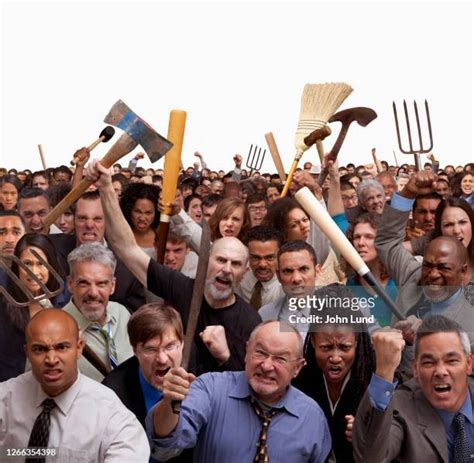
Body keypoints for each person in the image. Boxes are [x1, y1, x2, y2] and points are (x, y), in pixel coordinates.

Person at [85, 159, 261, 375]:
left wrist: (225, 357)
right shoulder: (182, 289)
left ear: (244, 273)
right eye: (220, 260)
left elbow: (256, 385)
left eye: (235, 264)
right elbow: (126, 248)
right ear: (205, 262)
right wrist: (106, 188)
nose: (226, 269)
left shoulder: (251, 321)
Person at [147, 321, 331, 463]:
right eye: (259, 353)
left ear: (298, 368)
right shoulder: (211, 389)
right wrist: (169, 403)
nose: (267, 366)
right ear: (246, 352)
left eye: (280, 359)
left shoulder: (312, 417)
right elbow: (166, 445)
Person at [0, 309, 149, 461]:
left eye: (62, 347)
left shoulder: (109, 413)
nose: (51, 359)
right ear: (28, 353)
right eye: (39, 349)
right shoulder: (5, 398)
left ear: (79, 348)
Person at [375, 171, 474, 360]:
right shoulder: (413, 274)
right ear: (438, 232)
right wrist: (407, 194)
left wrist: (429, 333)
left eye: (462, 222)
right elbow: (387, 243)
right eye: (448, 225)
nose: (456, 230)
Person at [353, 315, 474, 462]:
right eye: (429, 363)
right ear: (415, 369)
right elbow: (370, 458)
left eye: (452, 361)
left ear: (469, 364)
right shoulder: (400, 406)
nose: (441, 371)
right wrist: (384, 372)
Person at [293, 284, 376, 463]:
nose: (336, 357)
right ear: (313, 341)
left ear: (357, 341)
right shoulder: (298, 381)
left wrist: (369, 433)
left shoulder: (376, 380)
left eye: (344, 347)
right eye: (326, 347)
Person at [49, 190, 146, 312]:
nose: (89, 225)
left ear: (107, 221)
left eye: (97, 219)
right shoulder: (51, 249)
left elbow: (136, 318)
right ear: (74, 220)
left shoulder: (127, 266)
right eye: (82, 218)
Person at [103, 303, 184, 428]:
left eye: (170, 346)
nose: (162, 359)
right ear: (135, 350)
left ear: (182, 344)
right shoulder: (112, 394)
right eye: (151, 350)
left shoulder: (200, 372)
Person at [0, 233, 67, 381]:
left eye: (41, 263)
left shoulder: (65, 300)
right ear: (17, 267)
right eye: (27, 264)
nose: (34, 272)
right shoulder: (4, 306)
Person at [63, 242, 134, 381]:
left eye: (101, 283)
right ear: (70, 284)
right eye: (84, 283)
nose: (93, 293)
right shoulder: (56, 328)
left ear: (113, 286)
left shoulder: (122, 314)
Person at [259, 240, 321, 335]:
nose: (296, 279)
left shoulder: (337, 313)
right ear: (279, 276)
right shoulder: (265, 315)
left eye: (303, 269)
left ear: (317, 272)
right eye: (288, 271)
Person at [346, 213, 397, 327]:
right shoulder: (348, 286)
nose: (360, 243)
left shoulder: (399, 281)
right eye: (357, 237)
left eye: (369, 237)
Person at [235, 225, 284, 309]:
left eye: (269, 257)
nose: (262, 264)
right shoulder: (238, 282)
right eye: (255, 257)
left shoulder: (285, 290)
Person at [120, 183, 161, 257]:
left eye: (148, 213)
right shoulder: (119, 235)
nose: (142, 218)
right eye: (137, 211)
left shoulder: (162, 237)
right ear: (129, 210)